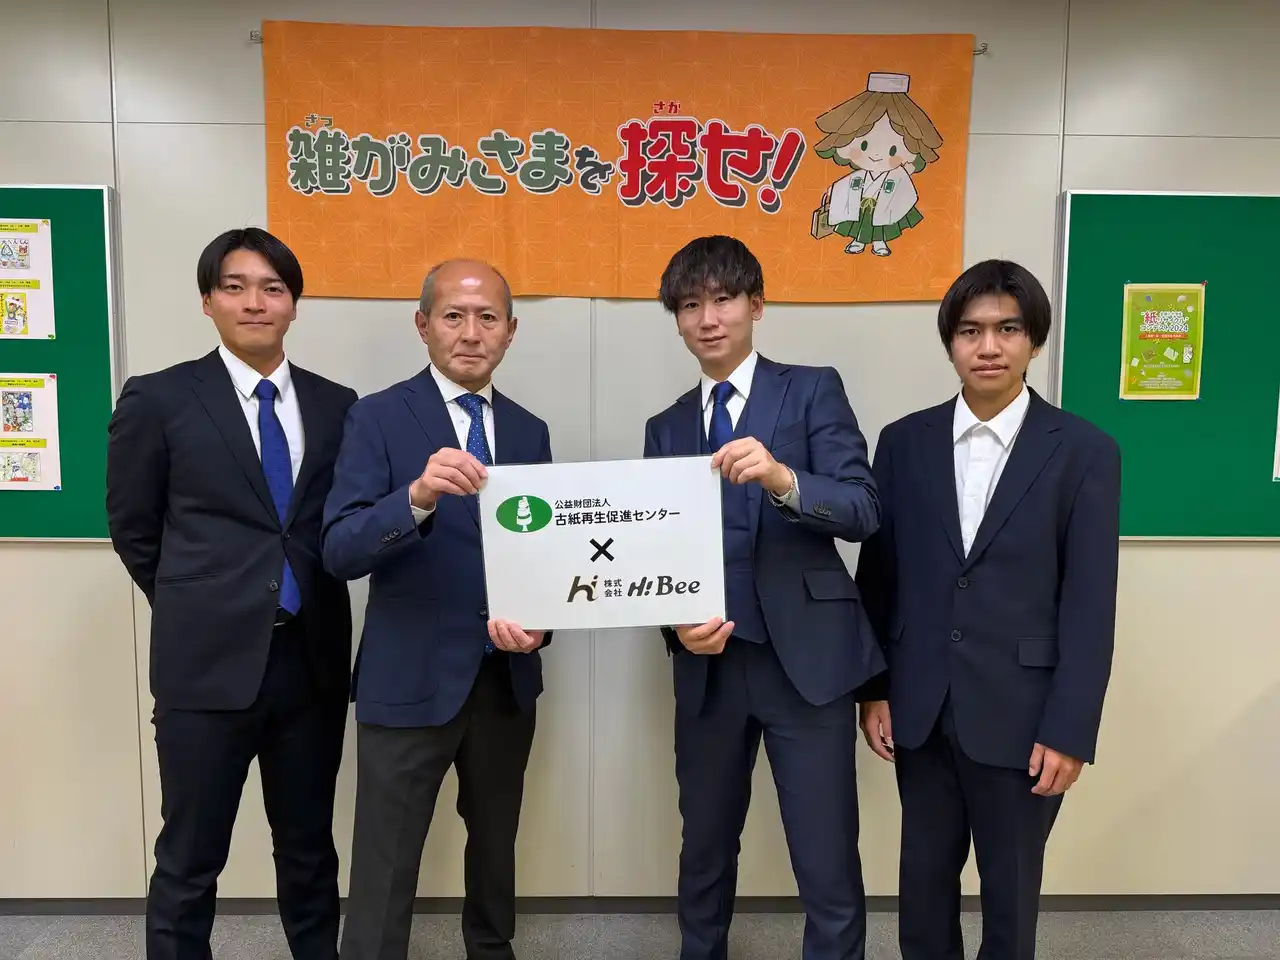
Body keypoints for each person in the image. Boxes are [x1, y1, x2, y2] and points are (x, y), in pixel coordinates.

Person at [854, 259, 1121, 960]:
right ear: (950, 342)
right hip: (920, 707)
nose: (989, 347)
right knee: (922, 892)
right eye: (970, 331)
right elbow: (879, 576)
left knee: (1010, 899)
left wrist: (1070, 730)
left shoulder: (1085, 452)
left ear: (1035, 340)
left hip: (1025, 716)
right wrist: (874, 689)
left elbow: (1090, 605)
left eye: (1008, 329)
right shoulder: (903, 442)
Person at [106, 227, 357, 960]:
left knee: (309, 849)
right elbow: (133, 527)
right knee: (190, 855)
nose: (255, 302)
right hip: (205, 665)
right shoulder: (159, 398)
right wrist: (202, 603)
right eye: (235, 286)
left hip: (309, 664)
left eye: (273, 288)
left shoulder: (337, 404)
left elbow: (334, 522)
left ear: (294, 305)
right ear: (207, 301)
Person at [643, 235, 885, 960]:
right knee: (704, 847)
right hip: (709, 667)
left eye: (723, 299)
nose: (708, 318)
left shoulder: (811, 389)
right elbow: (654, 554)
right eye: (691, 305)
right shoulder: (666, 426)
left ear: (756, 305)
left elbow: (864, 508)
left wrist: (784, 479)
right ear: (677, 320)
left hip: (806, 663)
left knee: (825, 851)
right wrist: (675, 627)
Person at [322, 259, 552, 960]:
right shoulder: (377, 416)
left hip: (504, 680)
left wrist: (541, 624)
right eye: (454, 316)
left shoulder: (529, 430)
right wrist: (416, 499)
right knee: (386, 859)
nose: (471, 333)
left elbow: (542, 551)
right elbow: (339, 548)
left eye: (488, 318)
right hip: (408, 677)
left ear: (511, 331)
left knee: (496, 852)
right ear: (423, 326)